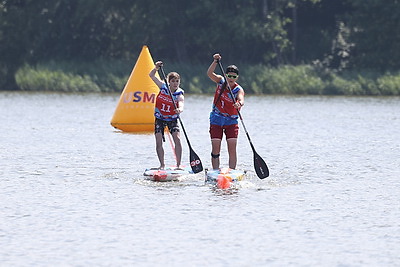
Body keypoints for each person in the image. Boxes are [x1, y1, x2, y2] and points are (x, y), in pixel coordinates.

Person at [207, 53, 245, 170]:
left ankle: (232, 171)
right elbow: (209, 74)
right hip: (216, 119)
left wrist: (239, 103)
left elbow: (241, 99)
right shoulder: (220, 81)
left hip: (231, 121)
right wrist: (215, 61)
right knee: (216, 148)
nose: (231, 79)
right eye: (229, 76)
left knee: (232, 148)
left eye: (234, 77)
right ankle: (215, 171)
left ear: (237, 78)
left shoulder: (238, 89)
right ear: (226, 75)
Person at [149, 61, 184, 170]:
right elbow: (151, 76)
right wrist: (156, 68)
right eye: (173, 81)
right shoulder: (163, 87)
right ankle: (162, 165)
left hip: (172, 119)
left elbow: (181, 103)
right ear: (169, 82)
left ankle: (178, 165)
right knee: (158, 140)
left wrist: (179, 109)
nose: (175, 83)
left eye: (177, 81)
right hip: (160, 118)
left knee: (177, 140)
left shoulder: (179, 93)